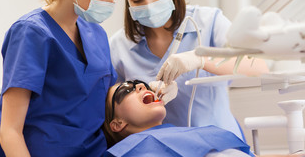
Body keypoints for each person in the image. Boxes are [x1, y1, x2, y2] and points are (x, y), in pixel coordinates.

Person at [109, 0, 269, 140]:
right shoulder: (119, 46)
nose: (149, 5)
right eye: (137, 0)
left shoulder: (208, 21)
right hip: (166, 149)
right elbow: (114, 111)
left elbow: (258, 65)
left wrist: (200, 59)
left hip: (220, 144)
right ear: (127, 0)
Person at [0, 0, 124, 156]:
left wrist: (151, 89)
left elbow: (105, 98)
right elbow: (10, 131)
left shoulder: (97, 34)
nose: (111, 3)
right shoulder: (31, 33)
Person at [103, 80, 302, 157]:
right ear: (117, 123)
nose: (141, 87)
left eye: (142, 84)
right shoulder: (131, 152)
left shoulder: (188, 134)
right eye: (126, 90)